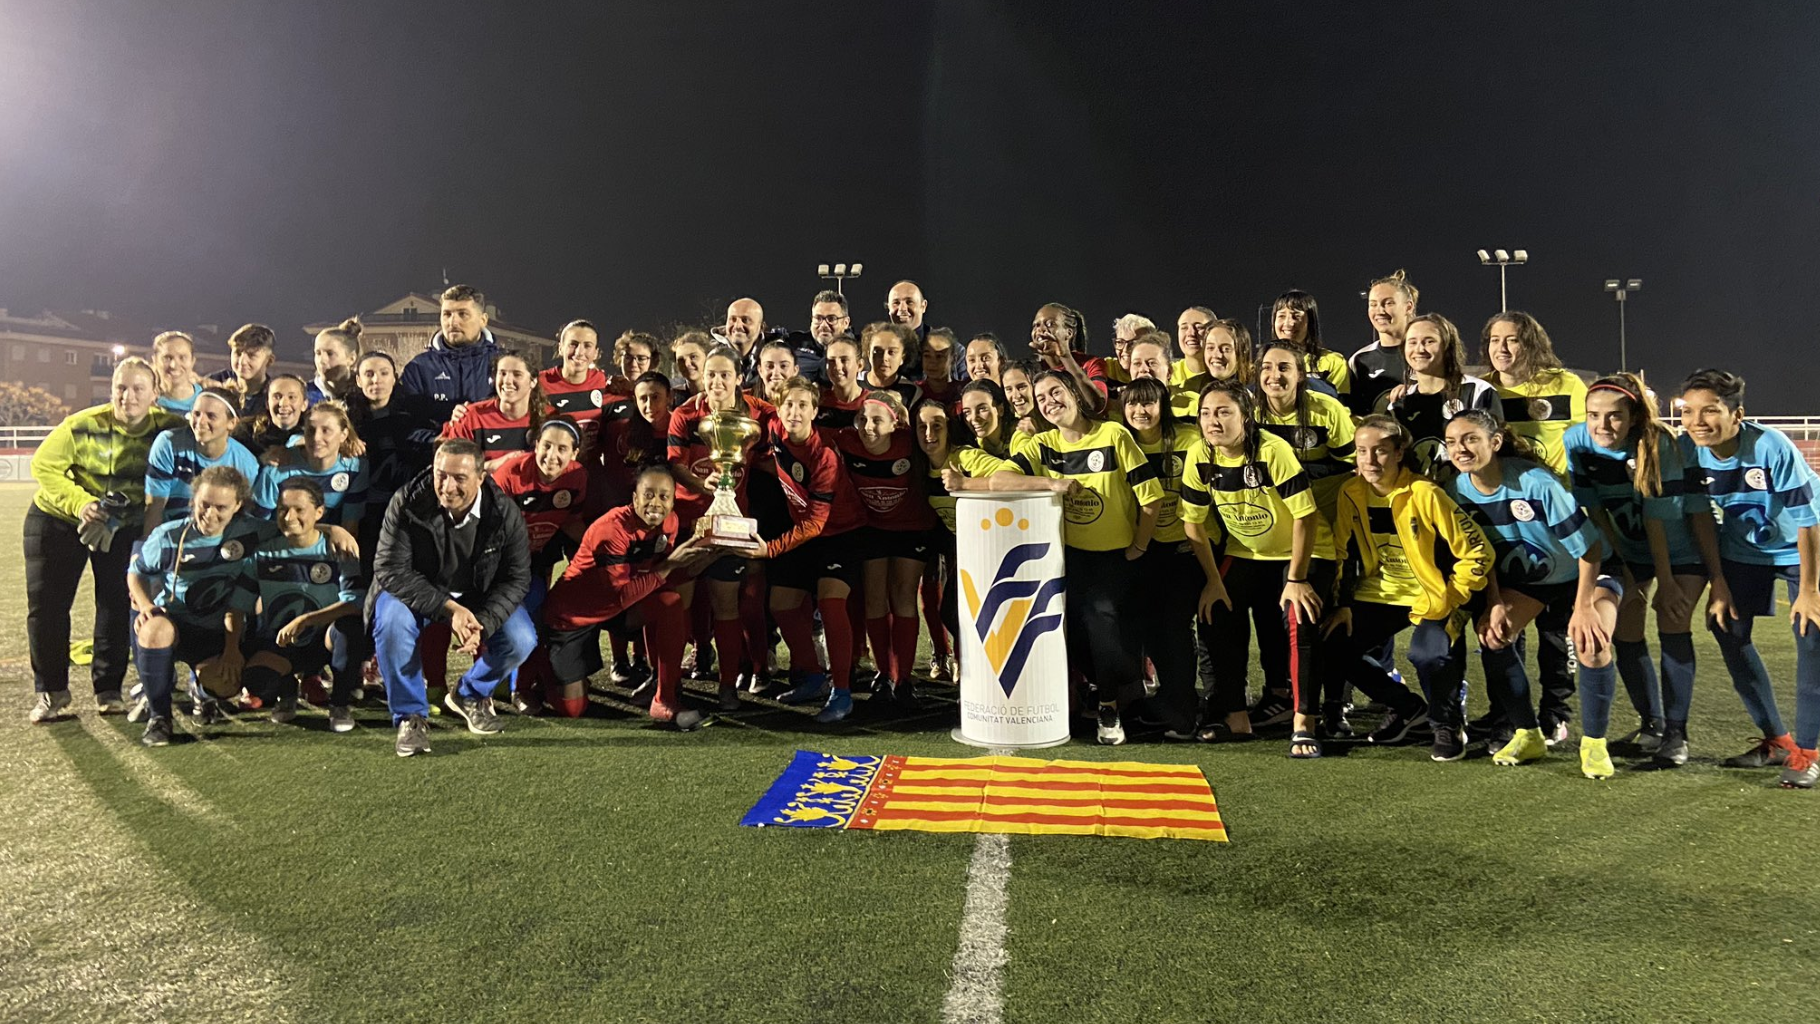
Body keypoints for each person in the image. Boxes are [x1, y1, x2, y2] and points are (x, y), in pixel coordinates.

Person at [1443, 411, 1623, 778]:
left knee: (1592, 644)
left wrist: (1584, 605)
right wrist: (1493, 602)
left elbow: (1589, 550)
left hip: (1587, 571)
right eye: (1452, 442)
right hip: (1532, 580)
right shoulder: (1456, 491)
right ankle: (1528, 734)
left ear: (1494, 442)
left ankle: (1594, 745)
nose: (1460, 448)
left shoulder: (1536, 482)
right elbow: (1480, 553)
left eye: (1470, 439)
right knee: (1494, 635)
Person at [1565, 373, 1719, 765]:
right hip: (1627, 549)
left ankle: (1676, 735)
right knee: (1627, 632)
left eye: (1614, 416)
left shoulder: (1659, 443)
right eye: (1593, 415)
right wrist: (1628, 570)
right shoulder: (1576, 441)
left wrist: (1664, 583)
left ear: (1633, 416)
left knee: (1672, 622)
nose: (1602, 425)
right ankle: (1651, 726)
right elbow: (1595, 509)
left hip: (1677, 550)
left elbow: (1657, 521)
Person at [1676, 369, 1820, 788]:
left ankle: (1808, 752)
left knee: (1810, 635)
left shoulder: (1770, 445)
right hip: (1744, 552)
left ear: (1737, 414)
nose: (1697, 420)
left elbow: (1810, 520)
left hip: (1802, 546)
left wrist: (1809, 591)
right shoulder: (1688, 450)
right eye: (1688, 411)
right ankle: (1776, 741)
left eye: (1711, 411)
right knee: (1726, 627)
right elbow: (1701, 516)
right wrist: (1717, 581)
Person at [1321, 415, 1492, 761]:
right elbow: (1340, 552)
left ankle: (1447, 723)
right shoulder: (1351, 492)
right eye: (1362, 451)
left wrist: (1453, 595)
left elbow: (1478, 552)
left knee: (1427, 654)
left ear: (1399, 453)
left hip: (1433, 594)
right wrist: (1342, 603)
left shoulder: (1425, 493)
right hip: (1380, 592)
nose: (1369, 461)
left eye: (1380, 451)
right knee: (1329, 645)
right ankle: (1410, 710)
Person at [1007, 370, 1164, 745]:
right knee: (1073, 633)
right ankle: (1112, 686)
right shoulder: (1042, 445)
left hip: (1115, 557)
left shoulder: (1113, 434)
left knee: (1100, 620)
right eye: (1041, 397)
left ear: (1075, 393)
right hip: (1068, 558)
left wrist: (1139, 547)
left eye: (1055, 392)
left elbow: (1151, 499)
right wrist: (1051, 483)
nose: (1049, 401)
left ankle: (1109, 706)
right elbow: (1001, 480)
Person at [25, 357, 182, 723]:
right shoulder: (82, 424)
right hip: (58, 519)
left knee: (114, 601)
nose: (127, 396)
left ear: (154, 394)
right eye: (120, 388)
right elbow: (43, 466)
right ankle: (51, 693)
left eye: (138, 388)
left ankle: (108, 690)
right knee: (48, 605)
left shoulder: (169, 429)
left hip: (122, 525)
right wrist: (81, 503)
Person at [1180, 379, 1324, 755]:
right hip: (1245, 553)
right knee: (1215, 611)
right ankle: (1236, 718)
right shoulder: (1199, 454)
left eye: (1224, 412)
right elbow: (1192, 523)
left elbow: (1305, 517)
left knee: (1299, 617)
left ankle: (1303, 721)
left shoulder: (1272, 450)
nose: (1213, 421)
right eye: (1206, 413)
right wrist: (1213, 580)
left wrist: (1296, 578)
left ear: (1246, 417)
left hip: (1296, 556)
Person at [370, 438, 536, 757]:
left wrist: (483, 622)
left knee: (522, 638)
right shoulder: (407, 501)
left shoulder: (504, 512)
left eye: (459, 478)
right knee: (391, 621)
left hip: (477, 596)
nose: (447, 486)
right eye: (440, 475)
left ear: (480, 478)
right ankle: (410, 716)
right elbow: (390, 570)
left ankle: (470, 694)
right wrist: (450, 609)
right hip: (418, 593)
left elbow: (516, 578)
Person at [541, 465, 717, 728]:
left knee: (670, 601)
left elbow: (659, 579)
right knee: (574, 709)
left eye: (663, 496)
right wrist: (671, 564)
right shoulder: (611, 528)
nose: (655, 503)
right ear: (634, 498)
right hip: (575, 616)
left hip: (617, 609)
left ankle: (664, 697)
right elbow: (620, 593)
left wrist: (705, 559)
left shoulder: (670, 522)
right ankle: (543, 669)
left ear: (672, 500)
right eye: (648, 495)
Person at [1251, 342, 1356, 735]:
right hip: (1272, 532)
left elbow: (1352, 465)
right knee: (1271, 618)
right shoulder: (1251, 412)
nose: (1273, 376)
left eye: (1283, 368)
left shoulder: (1326, 410)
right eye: (1266, 368)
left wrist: (1297, 476)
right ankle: (1281, 696)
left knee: (1320, 617)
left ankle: (1335, 704)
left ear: (1300, 374)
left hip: (1325, 529)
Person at [666, 345, 780, 708]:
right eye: (711, 374)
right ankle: (667, 684)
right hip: (687, 525)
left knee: (727, 603)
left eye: (724, 375)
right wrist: (703, 486)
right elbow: (675, 464)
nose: (716, 381)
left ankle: (728, 685)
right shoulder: (685, 415)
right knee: (675, 602)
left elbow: (770, 462)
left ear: (739, 378)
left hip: (731, 523)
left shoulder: (758, 416)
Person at [126, 465, 269, 746]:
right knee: (154, 629)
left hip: (219, 631)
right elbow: (136, 572)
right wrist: (145, 606)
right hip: (175, 625)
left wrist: (333, 530)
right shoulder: (169, 536)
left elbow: (296, 531)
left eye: (221, 507)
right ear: (194, 500)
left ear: (237, 505)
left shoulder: (251, 532)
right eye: (204, 504)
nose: (210, 514)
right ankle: (159, 717)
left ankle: (202, 690)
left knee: (227, 684)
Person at [759, 378, 869, 721]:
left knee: (831, 603)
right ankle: (812, 675)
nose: (794, 411)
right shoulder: (775, 428)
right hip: (805, 535)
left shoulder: (824, 457)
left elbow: (816, 524)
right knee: (781, 603)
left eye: (802, 405)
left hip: (842, 533)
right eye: (789, 404)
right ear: (779, 407)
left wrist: (770, 550)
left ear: (814, 411)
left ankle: (842, 692)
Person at [835, 391, 939, 704]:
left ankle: (902, 677)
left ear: (895, 424)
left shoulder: (909, 442)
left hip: (913, 527)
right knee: (874, 599)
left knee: (904, 595)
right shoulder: (846, 440)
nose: (868, 426)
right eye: (863, 419)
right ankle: (883, 672)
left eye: (877, 420)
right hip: (872, 528)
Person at [240, 478, 364, 730]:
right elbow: (238, 604)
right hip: (281, 641)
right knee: (257, 680)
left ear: (319, 512)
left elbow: (355, 603)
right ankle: (286, 693)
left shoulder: (339, 549)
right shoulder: (263, 553)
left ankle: (339, 703)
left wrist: (307, 620)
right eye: (283, 509)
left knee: (351, 629)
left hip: (324, 640)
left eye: (299, 509)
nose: (289, 516)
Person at [1117, 376, 1202, 737]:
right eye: (1133, 404)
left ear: (1163, 406)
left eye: (1149, 402)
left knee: (1176, 627)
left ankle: (1182, 706)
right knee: (1149, 629)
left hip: (1185, 547)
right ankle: (1169, 701)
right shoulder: (1120, 441)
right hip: (1143, 548)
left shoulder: (1189, 439)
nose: (1141, 411)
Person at [1380, 312, 1498, 476]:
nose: (1419, 349)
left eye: (1429, 341)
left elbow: (1496, 452)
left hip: (1467, 497)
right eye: (1412, 342)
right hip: (1420, 496)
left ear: (1447, 347)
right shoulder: (1399, 402)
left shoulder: (1477, 391)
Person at [1482, 312, 1587, 478]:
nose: (1502, 348)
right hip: (1505, 495)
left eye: (1512, 340)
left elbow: (1590, 439)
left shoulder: (1566, 385)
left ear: (1531, 346)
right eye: (1495, 340)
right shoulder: (1480, 390)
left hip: (1558, 494)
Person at [144, 387, 260, 528]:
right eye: (196, 414)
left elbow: (239, 517)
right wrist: (148, 545)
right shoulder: (168, 444)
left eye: (211, 416)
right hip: (170, 532)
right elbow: (155, 506)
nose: (200, 421)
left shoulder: (246, 464)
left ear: (232, 423)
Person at [253, 403, 369, 532]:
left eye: (326, 430)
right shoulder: (278, 468)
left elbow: (350, 528)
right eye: (311, 430)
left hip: (328, 545)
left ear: (343, 434)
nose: (316, 438)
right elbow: (258, 524)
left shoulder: (355, 468)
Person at [399, 283, 503, 423]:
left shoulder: (505, 363)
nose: (453, 322)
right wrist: (439, 439)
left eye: (463, 314)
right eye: (447, 314)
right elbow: (407, 425)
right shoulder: (418, 368)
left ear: (483, 320)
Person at [439, 350, 546, 470]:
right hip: (484, 487)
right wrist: (493, 466)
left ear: (533, 381)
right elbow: (453, 467)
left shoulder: (546, 418)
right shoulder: (471, 416)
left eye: (517, 374)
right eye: (502, 373)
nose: (507, 381)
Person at [1350, 269, 1418, 416]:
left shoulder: (1427, 353)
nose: (1379, 311)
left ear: (1408, 306)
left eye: (1388, 303)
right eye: (1373, 304)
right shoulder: (1359, 360)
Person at [540, 320, 611, 447]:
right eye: (573, 344)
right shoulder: (540, 382)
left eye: (587, 346)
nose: (579, 352)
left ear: (596, 353)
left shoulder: (601, 380)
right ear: (560, 348)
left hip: (591, 466)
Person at [1029, 303, 1111, 412]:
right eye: (1036, 325)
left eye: (1050, 324)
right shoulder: (1033, 371)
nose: (1041, 329)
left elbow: (1096, 405)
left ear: (1068, 333)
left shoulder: (1091, 363)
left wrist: (1065, 356)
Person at [1270, 290, 1351, 400]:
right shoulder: (1265, 364)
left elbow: (1341, 406)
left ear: (1310, 322)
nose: (1288, 323)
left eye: (1296, 316)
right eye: (1281, 316)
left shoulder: (1333, 362)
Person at [210, 323, 277, 421]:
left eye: (251, 355)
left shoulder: (274, 394)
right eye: (238, 353)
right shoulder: (216, 381)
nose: (242, 361)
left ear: (269, 360)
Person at [234, 374, 310, 458]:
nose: (283, 403)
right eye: (277, 397)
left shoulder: (313, 434)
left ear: (304, 404)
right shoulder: (247, 431)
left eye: (291, 397)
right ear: (267, 403)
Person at [860, 322, 922, 406]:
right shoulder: (855, 382)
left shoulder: (912, 391)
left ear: (902, 358)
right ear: (868, 354)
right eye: (878, 351)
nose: (884, 358)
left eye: (892, 352)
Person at [817, 336, 868, 433]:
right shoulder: (817, 400)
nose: (837, 367)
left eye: (844, 360)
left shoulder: (873, 402)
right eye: (831, 361)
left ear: (860, 365)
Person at [958, 378, 1018, 459]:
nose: (974, 418)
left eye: (982, 409)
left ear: (1000, 409)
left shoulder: (1020, 436)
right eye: (967, 412)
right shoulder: (972, 447)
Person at [309, 317, 363, 404]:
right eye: (318, 353)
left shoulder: (365, 392)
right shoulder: (305, 395)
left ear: (351, 358)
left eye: (330, 353)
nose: (321, 360)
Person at [885, 279, 930, 379]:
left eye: (909, 302)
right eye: (896, 303)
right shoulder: (875, 347)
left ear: (923, 306)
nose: (902, 308)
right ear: (888, 307)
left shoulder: (946, 348)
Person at [152, 330, 203, 414]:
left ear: (192, 361)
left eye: (182, 358)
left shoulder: (209, 399)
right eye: (167, 358)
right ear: (155, 361)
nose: (174, 365)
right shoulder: (146, 403)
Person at [920, 327, 960, 406]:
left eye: (939, 356)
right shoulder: (914, 392)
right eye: (927, 356)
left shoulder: (962, 391)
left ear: (953, 359)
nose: (932, 363)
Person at [755, 338, 801, 405]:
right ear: (760, 371)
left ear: (795, 370)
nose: (776, 373)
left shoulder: (806, 403)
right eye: (770, 366)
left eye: (783, 366)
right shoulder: (744, 401)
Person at [670, 330, 711, 403]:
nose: (687, 364)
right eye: (681, 360)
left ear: (708, 357)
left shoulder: (723, 393)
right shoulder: (672, 397)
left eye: (693, 357)